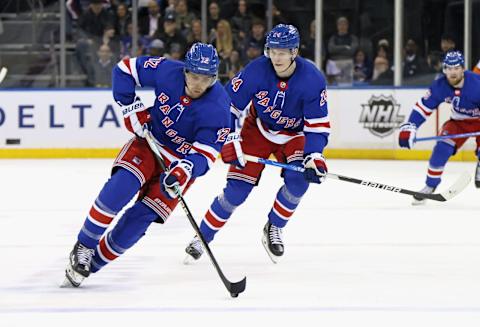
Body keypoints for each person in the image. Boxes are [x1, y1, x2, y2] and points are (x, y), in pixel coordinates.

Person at [63, 43, 231, 287]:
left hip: (178, 168)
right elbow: (124, 69)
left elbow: (205, 156)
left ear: (214, 78)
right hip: (149, 144)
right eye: (194, 76)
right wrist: (130, 107)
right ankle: (84, 247)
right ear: (185, 71)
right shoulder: (166, 71)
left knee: (140, 220)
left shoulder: (219, 108)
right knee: (120, 188)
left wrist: (184, 170)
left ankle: (91, 264)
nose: (198, 84)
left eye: (205, 79)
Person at [184, 24, 330, 263]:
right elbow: (226, 105)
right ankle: (202, 236)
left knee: (298, 182)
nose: (277, 57)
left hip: (294, 135)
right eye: (273, 50)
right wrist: (230, 138)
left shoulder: (312, 79)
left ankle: (274, 226)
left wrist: (314, 156)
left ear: (294, 52)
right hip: (257, 130)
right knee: (236, 192)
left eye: (283, 51)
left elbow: (317, 125)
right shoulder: (257, 70)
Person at [398, 51, 480, 205]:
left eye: (456, 68)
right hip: (458, 123)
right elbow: (423, 108)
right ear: (444, 69)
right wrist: (410, 127)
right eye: (449, 68)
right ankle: (430, 185)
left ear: (463, 69)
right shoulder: (440, 85)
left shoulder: (477, 84)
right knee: (441, 149)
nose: (452, 72)